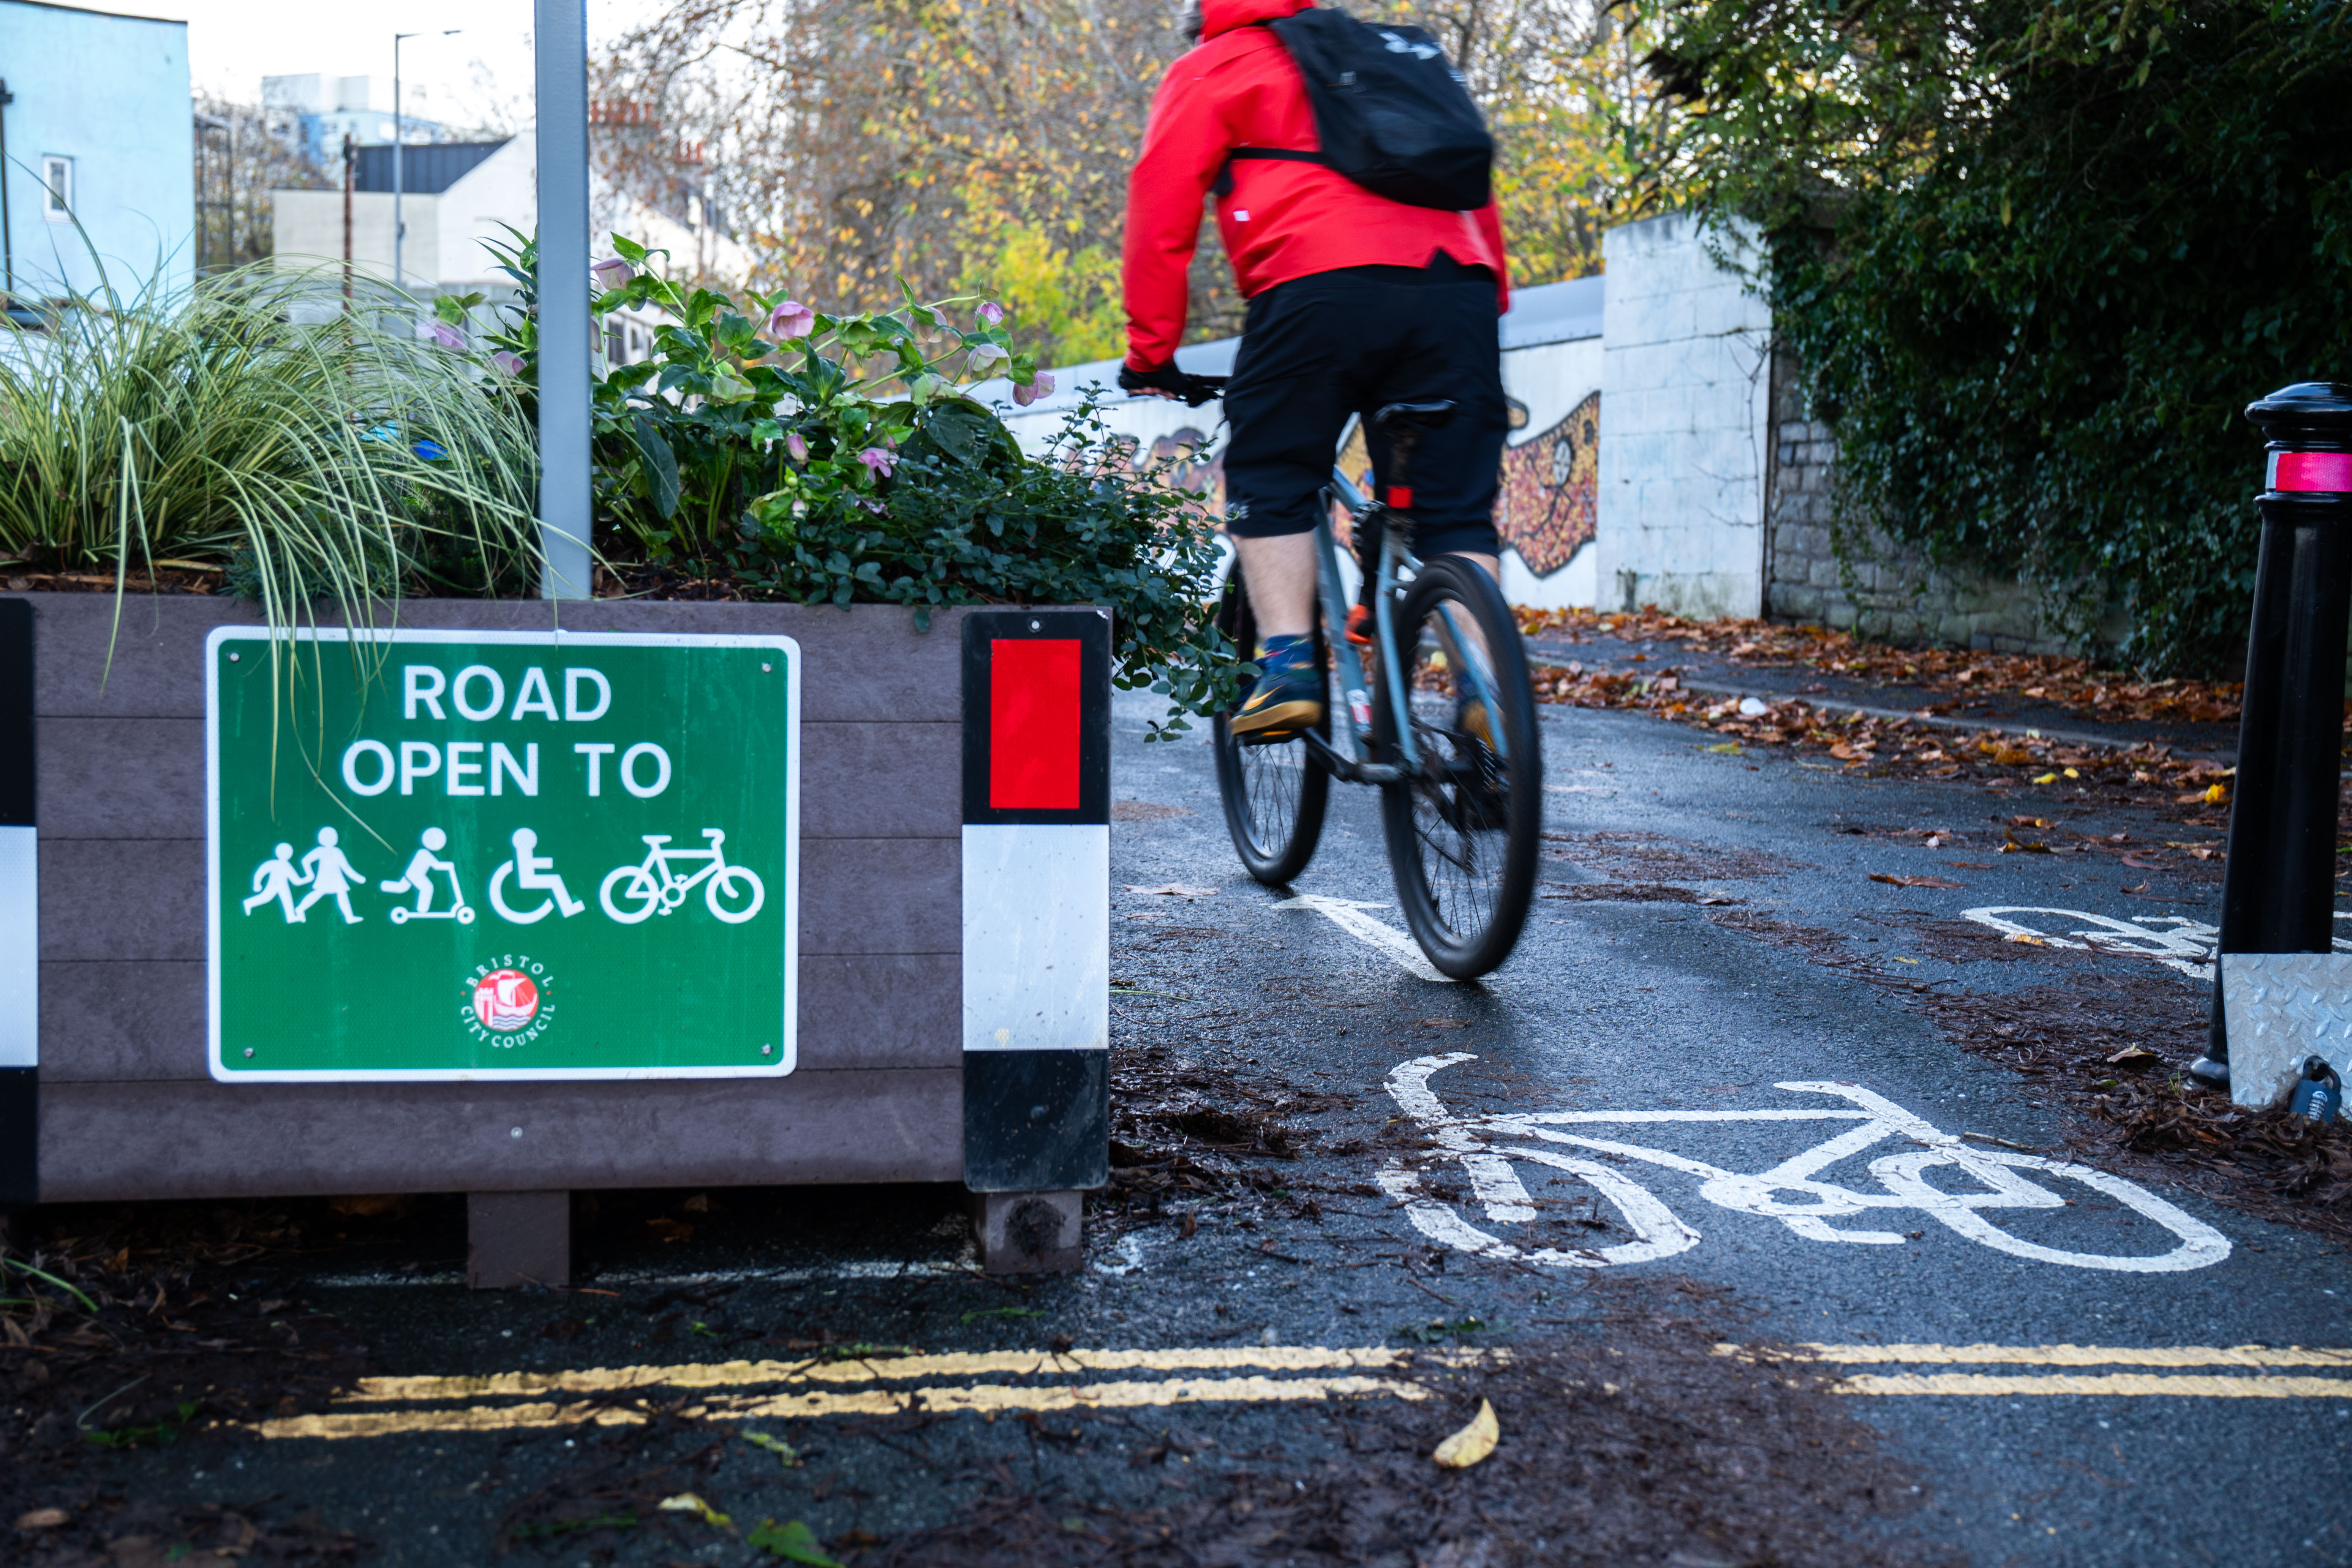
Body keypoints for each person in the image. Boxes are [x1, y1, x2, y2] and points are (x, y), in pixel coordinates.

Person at [1119, 0, 1511, 737]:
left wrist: (1152, 354)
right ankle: (1488, 699)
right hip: (1460, 290)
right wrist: (1489, 303)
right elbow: (1472, 182)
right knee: (1456, 513)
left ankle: (1290, 668)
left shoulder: (1215, 65)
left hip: (1317, 289)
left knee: (1270, 468)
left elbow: (1159, 210)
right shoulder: (1398, 57)